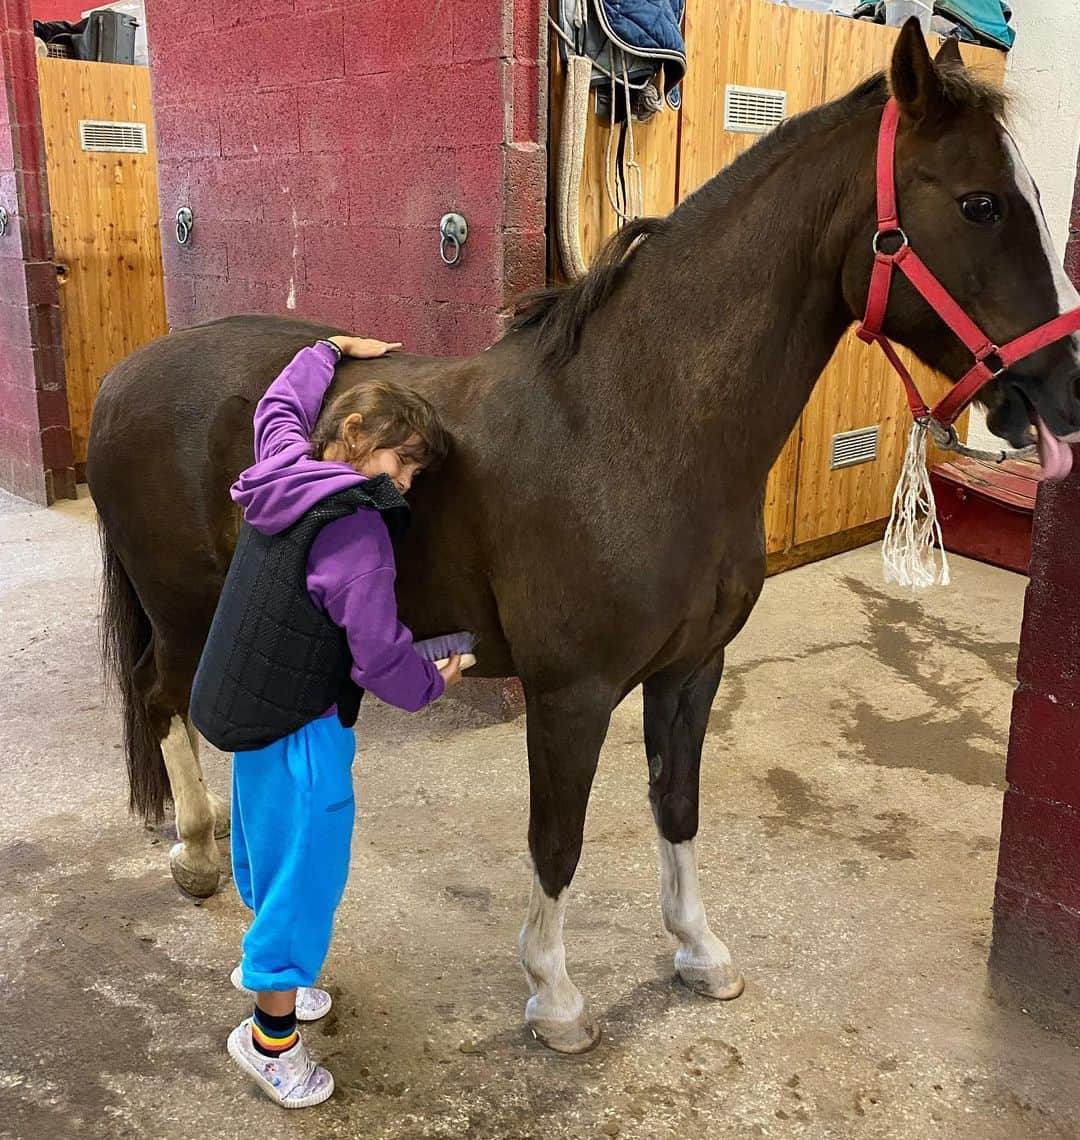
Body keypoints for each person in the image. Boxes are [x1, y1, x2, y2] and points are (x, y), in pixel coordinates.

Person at [189, 334, 462, 1108]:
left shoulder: (280, 469)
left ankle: (269, 961)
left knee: (266, 841)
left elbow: (280, 406)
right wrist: (430, 685)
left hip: (250, 710)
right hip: (306, 726)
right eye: (402, 462)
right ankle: (269, 1040)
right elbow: (378, 658)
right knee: (309, 872)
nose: (406, 483)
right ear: (356, 438)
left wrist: (326, 348)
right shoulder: (357, 531)